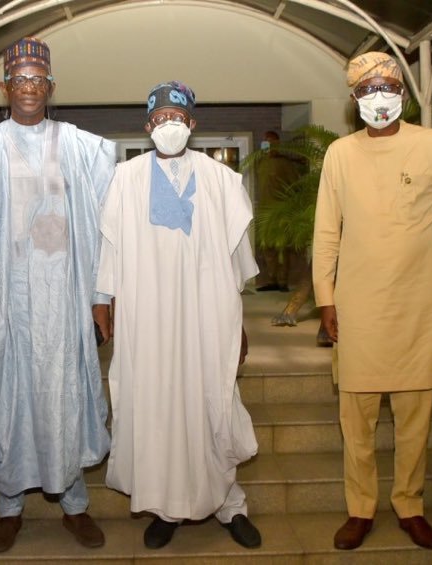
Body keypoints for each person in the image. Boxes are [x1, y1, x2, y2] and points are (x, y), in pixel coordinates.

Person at [0, 37, 115, 553]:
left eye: (38, 80)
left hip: (64, 303)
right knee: (7, 399)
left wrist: (101, 297)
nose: (29, 89)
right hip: (3, 302)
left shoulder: (83, 148)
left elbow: (103, 228)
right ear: (5, 87)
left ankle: (74, 504)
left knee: (66, 398)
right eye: (20, 80)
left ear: (51, 87)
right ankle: (9, 506)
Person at [312, 52, 432, 551]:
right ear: (354, 99)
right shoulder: (339, 153)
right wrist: (326, 300)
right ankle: (360, 509)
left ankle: (410, 504)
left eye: (387, 86)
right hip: (357, 307)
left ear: (403, 93)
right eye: (367, 89)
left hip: (421, 305)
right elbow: (325, 234)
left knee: (415, 419)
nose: (378, 96)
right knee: (355, 420)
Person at [98, 81, 262, 550]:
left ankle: (230, 505)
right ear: (147, 126)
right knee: (158, 409)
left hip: (208, 317)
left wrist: (240, 321)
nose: (169, 125)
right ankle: (166, 508)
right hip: (147, 321)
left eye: (178, 117)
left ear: (192, 123)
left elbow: (237, 259)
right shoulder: (125, 179)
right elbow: (108, 250)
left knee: (214, 404)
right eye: (160, 118)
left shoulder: (221, 180)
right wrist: (103, 302)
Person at [255, 130, 301, 292]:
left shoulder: (285, 164)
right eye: (266, 143)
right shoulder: (259, 163)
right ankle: (271, 280)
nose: (269, 146)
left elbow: (295, 186)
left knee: (282, 248)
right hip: (264, 212)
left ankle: (283, 282)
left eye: (272, 143)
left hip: (280, 212)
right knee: (267, 249)